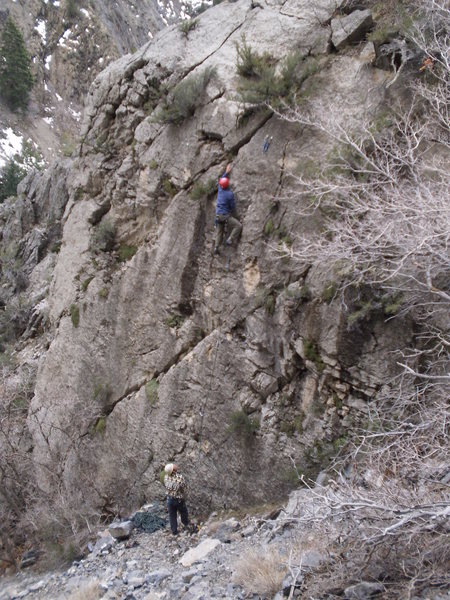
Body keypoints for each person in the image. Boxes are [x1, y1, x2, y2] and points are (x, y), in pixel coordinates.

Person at [214, 163, 242, 256]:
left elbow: (222, 180)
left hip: (218, 215)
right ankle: (230, 239)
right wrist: (237, 216)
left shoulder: (220, 189)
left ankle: (216, 248)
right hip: (225, 216)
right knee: (238, 226)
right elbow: (232, 207)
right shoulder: (229, 194)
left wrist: (226, 172)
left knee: (219, 232)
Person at [164, 463, 189, 535]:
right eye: (173, 466)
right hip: (178, 499)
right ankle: (185, 524)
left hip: (169, 499)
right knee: (183, 512)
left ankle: (174, 531)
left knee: (172, 515)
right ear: (173, 470)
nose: (174, 465)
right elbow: (185, 488)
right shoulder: (179, 478)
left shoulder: (166, 477)